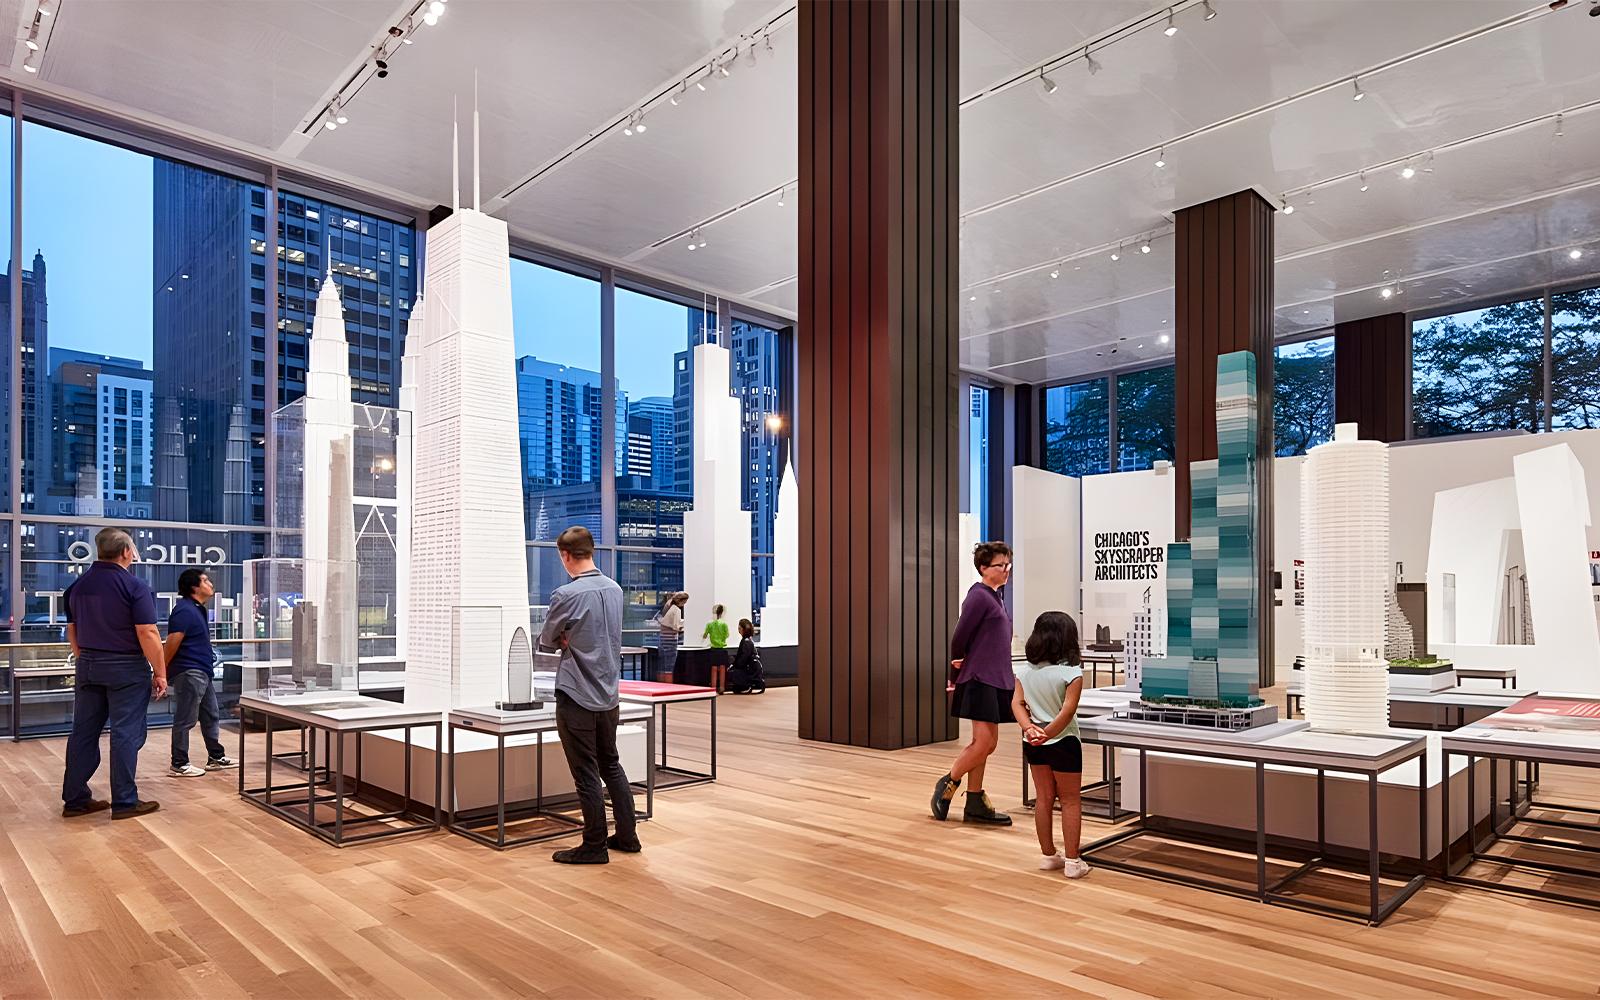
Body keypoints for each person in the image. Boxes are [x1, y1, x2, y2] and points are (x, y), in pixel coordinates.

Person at [539, 525, 639, 864]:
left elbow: (547, 640)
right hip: (609, 694)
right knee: (611, 765)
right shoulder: (614, 589)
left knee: (586, 773)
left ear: (565, 556)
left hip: (577, 693)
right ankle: (627, 836)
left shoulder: (565, 595)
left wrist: (567, 637)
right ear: (591, 551)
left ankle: (594, 845)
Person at [60, 527, 168, 820]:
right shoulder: (134, 586)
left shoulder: (77, 587)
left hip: (88, 665)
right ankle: (124, 802)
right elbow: (147, 632)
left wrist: (85, 659)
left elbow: (73, 631)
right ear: (125, 552)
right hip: (126, 668)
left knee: (83, 732)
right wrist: (160, 672)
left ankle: (75, 800)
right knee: (125, 732)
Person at [930, 540, 1015, 826]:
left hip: (994, 678)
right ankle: (949, 783)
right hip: (980, 678)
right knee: (983, 743)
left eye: (1007, 565)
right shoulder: (978, 596)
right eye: (1000, 565)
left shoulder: (995, 596)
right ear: (983, 567)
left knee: (988, 744)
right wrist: (957, 667)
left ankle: (975, 800)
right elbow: (959, 637)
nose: (1006, 570)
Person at [1012, 611, 1089, 878]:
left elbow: (1016, 704)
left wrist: (1030, 729)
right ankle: (1073, 862)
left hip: (1033, 743)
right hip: (1064, 742)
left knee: (1043, 798)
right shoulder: (1072, 673)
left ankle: (1048, 856)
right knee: (1070, 800)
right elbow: (1067, 711)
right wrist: (1049, 733)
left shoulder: (1025, 672)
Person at [164, 568, 237, 777]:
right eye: (205, 581)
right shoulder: (184, 609)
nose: (211, 584)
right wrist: (160, 672)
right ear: (193, 587)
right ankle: (179, 763)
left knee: (211, 714)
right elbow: (171, 643)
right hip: (190, 671)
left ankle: (215, 757)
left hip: (202, 671)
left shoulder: (197, 608)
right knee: (185, 719)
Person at [727, 619, 765, 694]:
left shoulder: (745, 642)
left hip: (749, 667)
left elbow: (744, 658)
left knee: (736, 670)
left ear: (741, 629)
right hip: (753, 666)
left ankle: (746, 685)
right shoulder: (748, 641)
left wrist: (735, 665)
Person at [656, 591, 687, 682]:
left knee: (663, 664)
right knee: (670, 664)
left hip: (663, 638)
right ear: (681, 600)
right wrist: (682, 628)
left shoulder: (668, 607)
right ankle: (669, 685)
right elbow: (676, 626)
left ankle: (661, 683)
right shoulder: (676, 609)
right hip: (671, 639)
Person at [701, 604, 730, 692]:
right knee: (722, 669)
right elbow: (727, 635)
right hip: (722, 648)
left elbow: (705, 635)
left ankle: (713, 688)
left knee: (713, 669)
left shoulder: (710, 624)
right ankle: (722, 688)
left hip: (713, 649)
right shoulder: (724, 624)